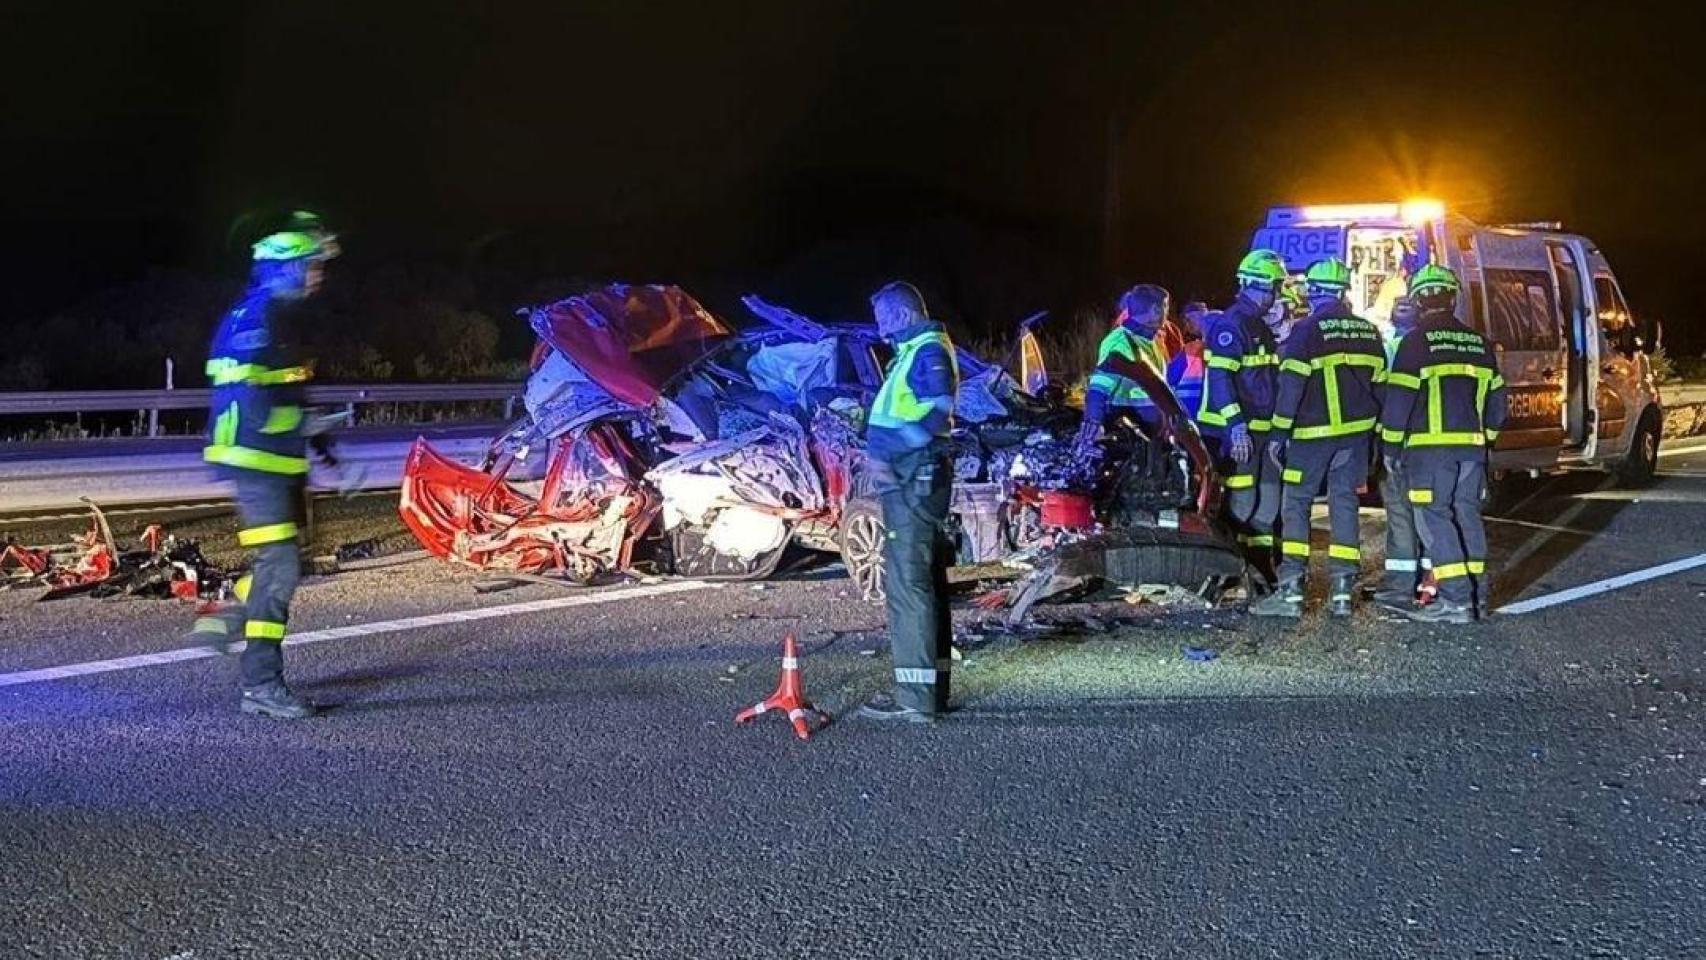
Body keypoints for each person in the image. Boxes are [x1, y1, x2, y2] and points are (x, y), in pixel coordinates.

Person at [190, 211, 338, 719]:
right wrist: (303, 426)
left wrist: (316, 437)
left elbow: (285, 387)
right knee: (281, 568)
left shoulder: (272, 317)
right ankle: (261, 684)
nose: (318, 275)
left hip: (276, 459)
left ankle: (227, 614)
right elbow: (255, 406)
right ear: (286, 269)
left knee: (285, 562)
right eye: (311, 266)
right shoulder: (260, 319)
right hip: (256, 461)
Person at [1253, 257, 1387, 617]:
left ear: (1311, 291)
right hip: (1355, 438)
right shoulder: (1368, 331)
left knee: (1296, 504)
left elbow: (1292, 386)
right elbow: (1381, 387)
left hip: (1311, 437)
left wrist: (1279, 434)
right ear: (1344, 291)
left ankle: (1291, 590)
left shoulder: (1306, 330)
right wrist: (1376, 438)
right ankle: (1342, 591)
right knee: (1345, 504)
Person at [1379, 264, 1507, 623]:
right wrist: (1486, 441)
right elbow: (1498, 405)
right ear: (1453, 299)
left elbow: (1399, 402)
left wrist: (1390, 449)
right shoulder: (1480, 344)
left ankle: (1455, 600)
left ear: (1419, 301)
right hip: (1473, 451)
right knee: (1467, 516)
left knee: (1434, 519)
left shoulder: (1415, 343)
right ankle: (1477, 596)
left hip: (1429, 453)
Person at [857, 281, 961, 723]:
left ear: (902, 314)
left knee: (908, 585)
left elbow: (938, 409)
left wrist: (891, 452)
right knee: (922, 582)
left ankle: (915, 699)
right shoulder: (913, 351)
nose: (879, 326)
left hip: (912, 482)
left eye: (883, 317)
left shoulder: (927, 350)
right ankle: (929, 691)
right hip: (913, 479)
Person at [1199, 250, 1288, 584]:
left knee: (1268, 504)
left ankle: (1260, 570)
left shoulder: (1257, 325)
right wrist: (1236, 427)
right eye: (1273, 287)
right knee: (1242, 503)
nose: (1276, 295)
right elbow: (1221, 379)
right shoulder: (1232, 324)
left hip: (1262, 432)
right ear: (1253, 285)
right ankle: (1229, 574)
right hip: (1237, 433)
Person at [1372, 295, 1429, 611]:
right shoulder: (1429, 345)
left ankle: (1400, 585)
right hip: (1428, 444)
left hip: (1397, 440)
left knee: (1400, 514)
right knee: (1429, 513)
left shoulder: (1389, 349)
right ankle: (1430, 583)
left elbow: (1386, 397)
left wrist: (1385, 445)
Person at [1076, 284, 1171, 447]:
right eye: (1166, 306)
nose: (1167, 312)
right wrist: (1093, 424)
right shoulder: (1121, 342)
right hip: (1127, 435)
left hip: (1147, 435)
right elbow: (1099, 387)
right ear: (1155, 309)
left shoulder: (1148, 342)